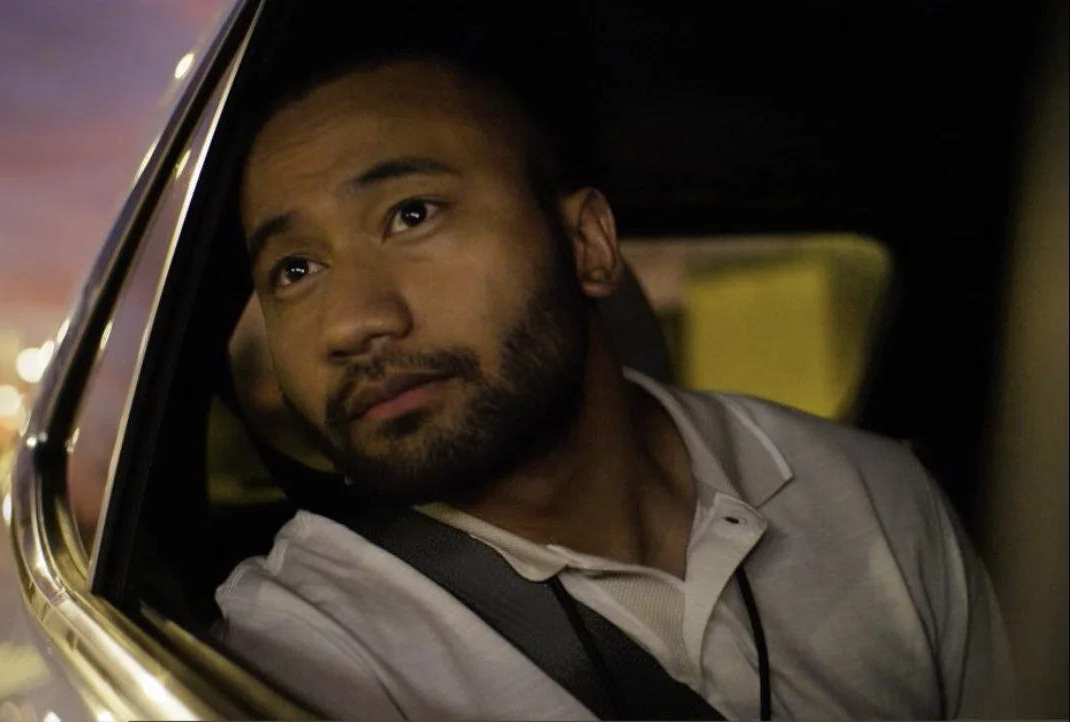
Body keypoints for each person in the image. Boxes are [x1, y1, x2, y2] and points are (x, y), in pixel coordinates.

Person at [214, 54, 1014, 720]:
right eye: (294, 270)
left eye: (412, 214)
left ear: (588, 244)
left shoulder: (875, 499)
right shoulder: (294, 651)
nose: (349, 322)